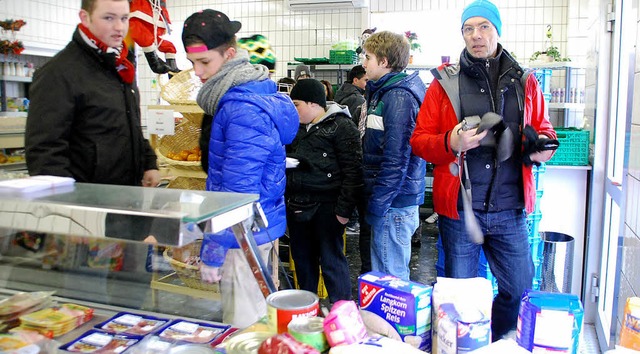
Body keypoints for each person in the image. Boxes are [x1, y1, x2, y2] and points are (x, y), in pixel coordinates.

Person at [409, 0, 557, 340]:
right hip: (461, 210)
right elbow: (419, 140)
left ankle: (494, 342)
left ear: (497, 30)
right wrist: (451, 141)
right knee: (459, 300)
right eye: (468, 29)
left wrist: (541, 148)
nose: (476, 35)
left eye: (483, 27)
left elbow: (544, 131)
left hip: (510, 208)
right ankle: (460, 345)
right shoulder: (443, 83)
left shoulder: (525, 81)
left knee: (518, 289)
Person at [181, 9, 299, 328]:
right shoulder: (248, 95)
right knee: (263, 323)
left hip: (241, 236)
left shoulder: (240, 108)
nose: (198, 73)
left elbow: (236, 194)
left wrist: (214, 250)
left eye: (204, 62)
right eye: (193, 63)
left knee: (244, 328)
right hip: (259, 230)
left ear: (230, 54)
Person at [26, 0, 160, 188]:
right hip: (86, 203)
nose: (119, 27)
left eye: (124, 18)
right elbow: (44, 151)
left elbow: (129, 126)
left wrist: (148, 163)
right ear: (85, 18)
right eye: (108, 18)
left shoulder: (120, 65)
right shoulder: (58, 73)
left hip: (126, 197)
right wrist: (67, 203)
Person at [286, 78, 363, 304]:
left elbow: (354, 171)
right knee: (303, 263)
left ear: (313, 103)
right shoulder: (296, 129)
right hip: (298, 207)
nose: (294, 109)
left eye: (297, 104)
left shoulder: (341, 126)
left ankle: (343, 315)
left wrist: (344, 212)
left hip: (328, 209)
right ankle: (307, 314)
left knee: (332, 263)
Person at [360, 31, 427, 280]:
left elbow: (396, 160)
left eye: (368, 57)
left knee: (391, 279)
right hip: (391, 200)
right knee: (385, 275)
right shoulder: (384, 91)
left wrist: (378, 205)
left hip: (394, 204)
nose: (364, 63)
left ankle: (395, 321)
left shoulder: (398, 97)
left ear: (384, 61)